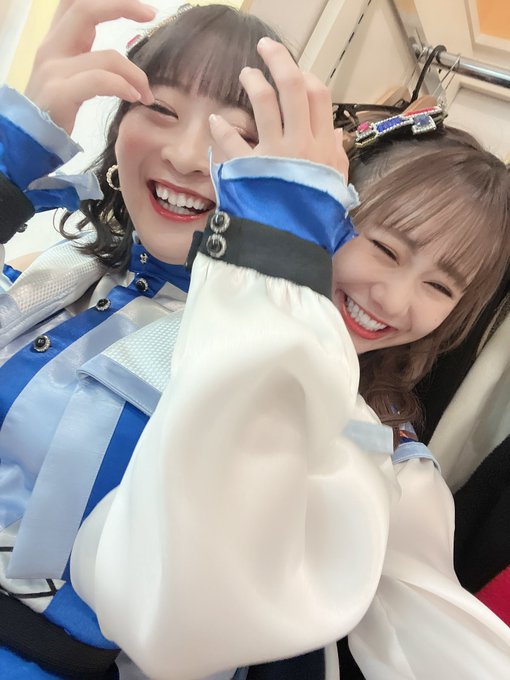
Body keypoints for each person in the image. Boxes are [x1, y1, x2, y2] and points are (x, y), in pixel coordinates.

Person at [0, 2, 509, 680]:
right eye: (384, 248)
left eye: (442, 287)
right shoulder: (72, 272)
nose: (393, 298)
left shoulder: (354, 439)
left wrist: (274, 261)